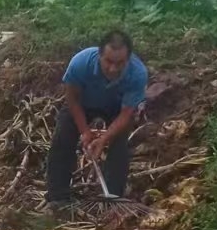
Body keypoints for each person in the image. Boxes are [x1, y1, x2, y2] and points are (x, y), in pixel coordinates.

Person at [46, 29, 147, 205]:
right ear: (99, 54)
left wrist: (104, 140)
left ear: (129, 59)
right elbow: (72, 98)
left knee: (120, 144)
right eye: (108, 61)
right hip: (83, 103)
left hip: (116, 108)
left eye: (120, 63)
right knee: (63, 136)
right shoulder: (80, 63)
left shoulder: (137, 73)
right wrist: (84, 131)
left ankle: (113, 200)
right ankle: (58, 197)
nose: (113, 68)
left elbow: (125, 114)